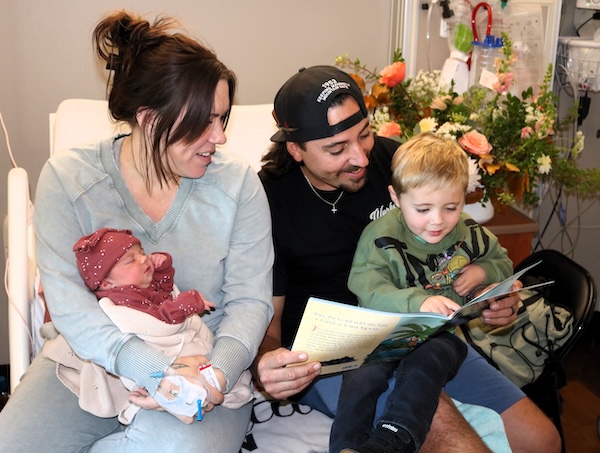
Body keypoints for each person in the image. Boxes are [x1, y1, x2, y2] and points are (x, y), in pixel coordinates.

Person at [0, 11, 273, 453]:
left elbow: (250, 302)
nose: (220, 137)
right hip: (91, 361)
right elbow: (71, 307)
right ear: (148, 119)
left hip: (202, 363)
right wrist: (152, 372)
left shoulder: (238, 186)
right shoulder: (69, 181)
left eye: (224, 119)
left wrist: (213, 374)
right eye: (205, 121)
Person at [254, 65, 561, 453]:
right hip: (336, 357)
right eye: (336, 149)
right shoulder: (267, 203)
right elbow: (266, 324)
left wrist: (491, 292)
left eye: (363, 135)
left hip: (422, 333)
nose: (360, 158)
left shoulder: (395, 163)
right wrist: (268, 366)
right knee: (453, 440)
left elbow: (455, 237)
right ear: (295, 150)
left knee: (541, 440)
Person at [336, 133, 514, 453]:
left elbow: (501, 259)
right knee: (361, 376)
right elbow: (367, 289)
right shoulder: (380, 236)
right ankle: (346, 447)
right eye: (422, 209)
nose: (437, 221)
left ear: (464, 198)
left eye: (451, 207)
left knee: (426, 364)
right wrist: (420, 301)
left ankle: (393, 440)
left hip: (442, 335)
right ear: (396, 197)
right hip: (386, 331)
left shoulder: (468, 229)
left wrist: (484, 271)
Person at [42, 227, 253, 425]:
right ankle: (187, 389)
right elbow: (160, 319)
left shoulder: (133, 287)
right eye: (131, 260)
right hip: (153, 347)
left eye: (142, 252)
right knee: (191, 357)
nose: (143, 258)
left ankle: (197, 387)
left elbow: (162, 291)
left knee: (206, 361)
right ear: (107, 284)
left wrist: (163, 267)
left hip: (166, 341)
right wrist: (187, 304)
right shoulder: (121, 298)